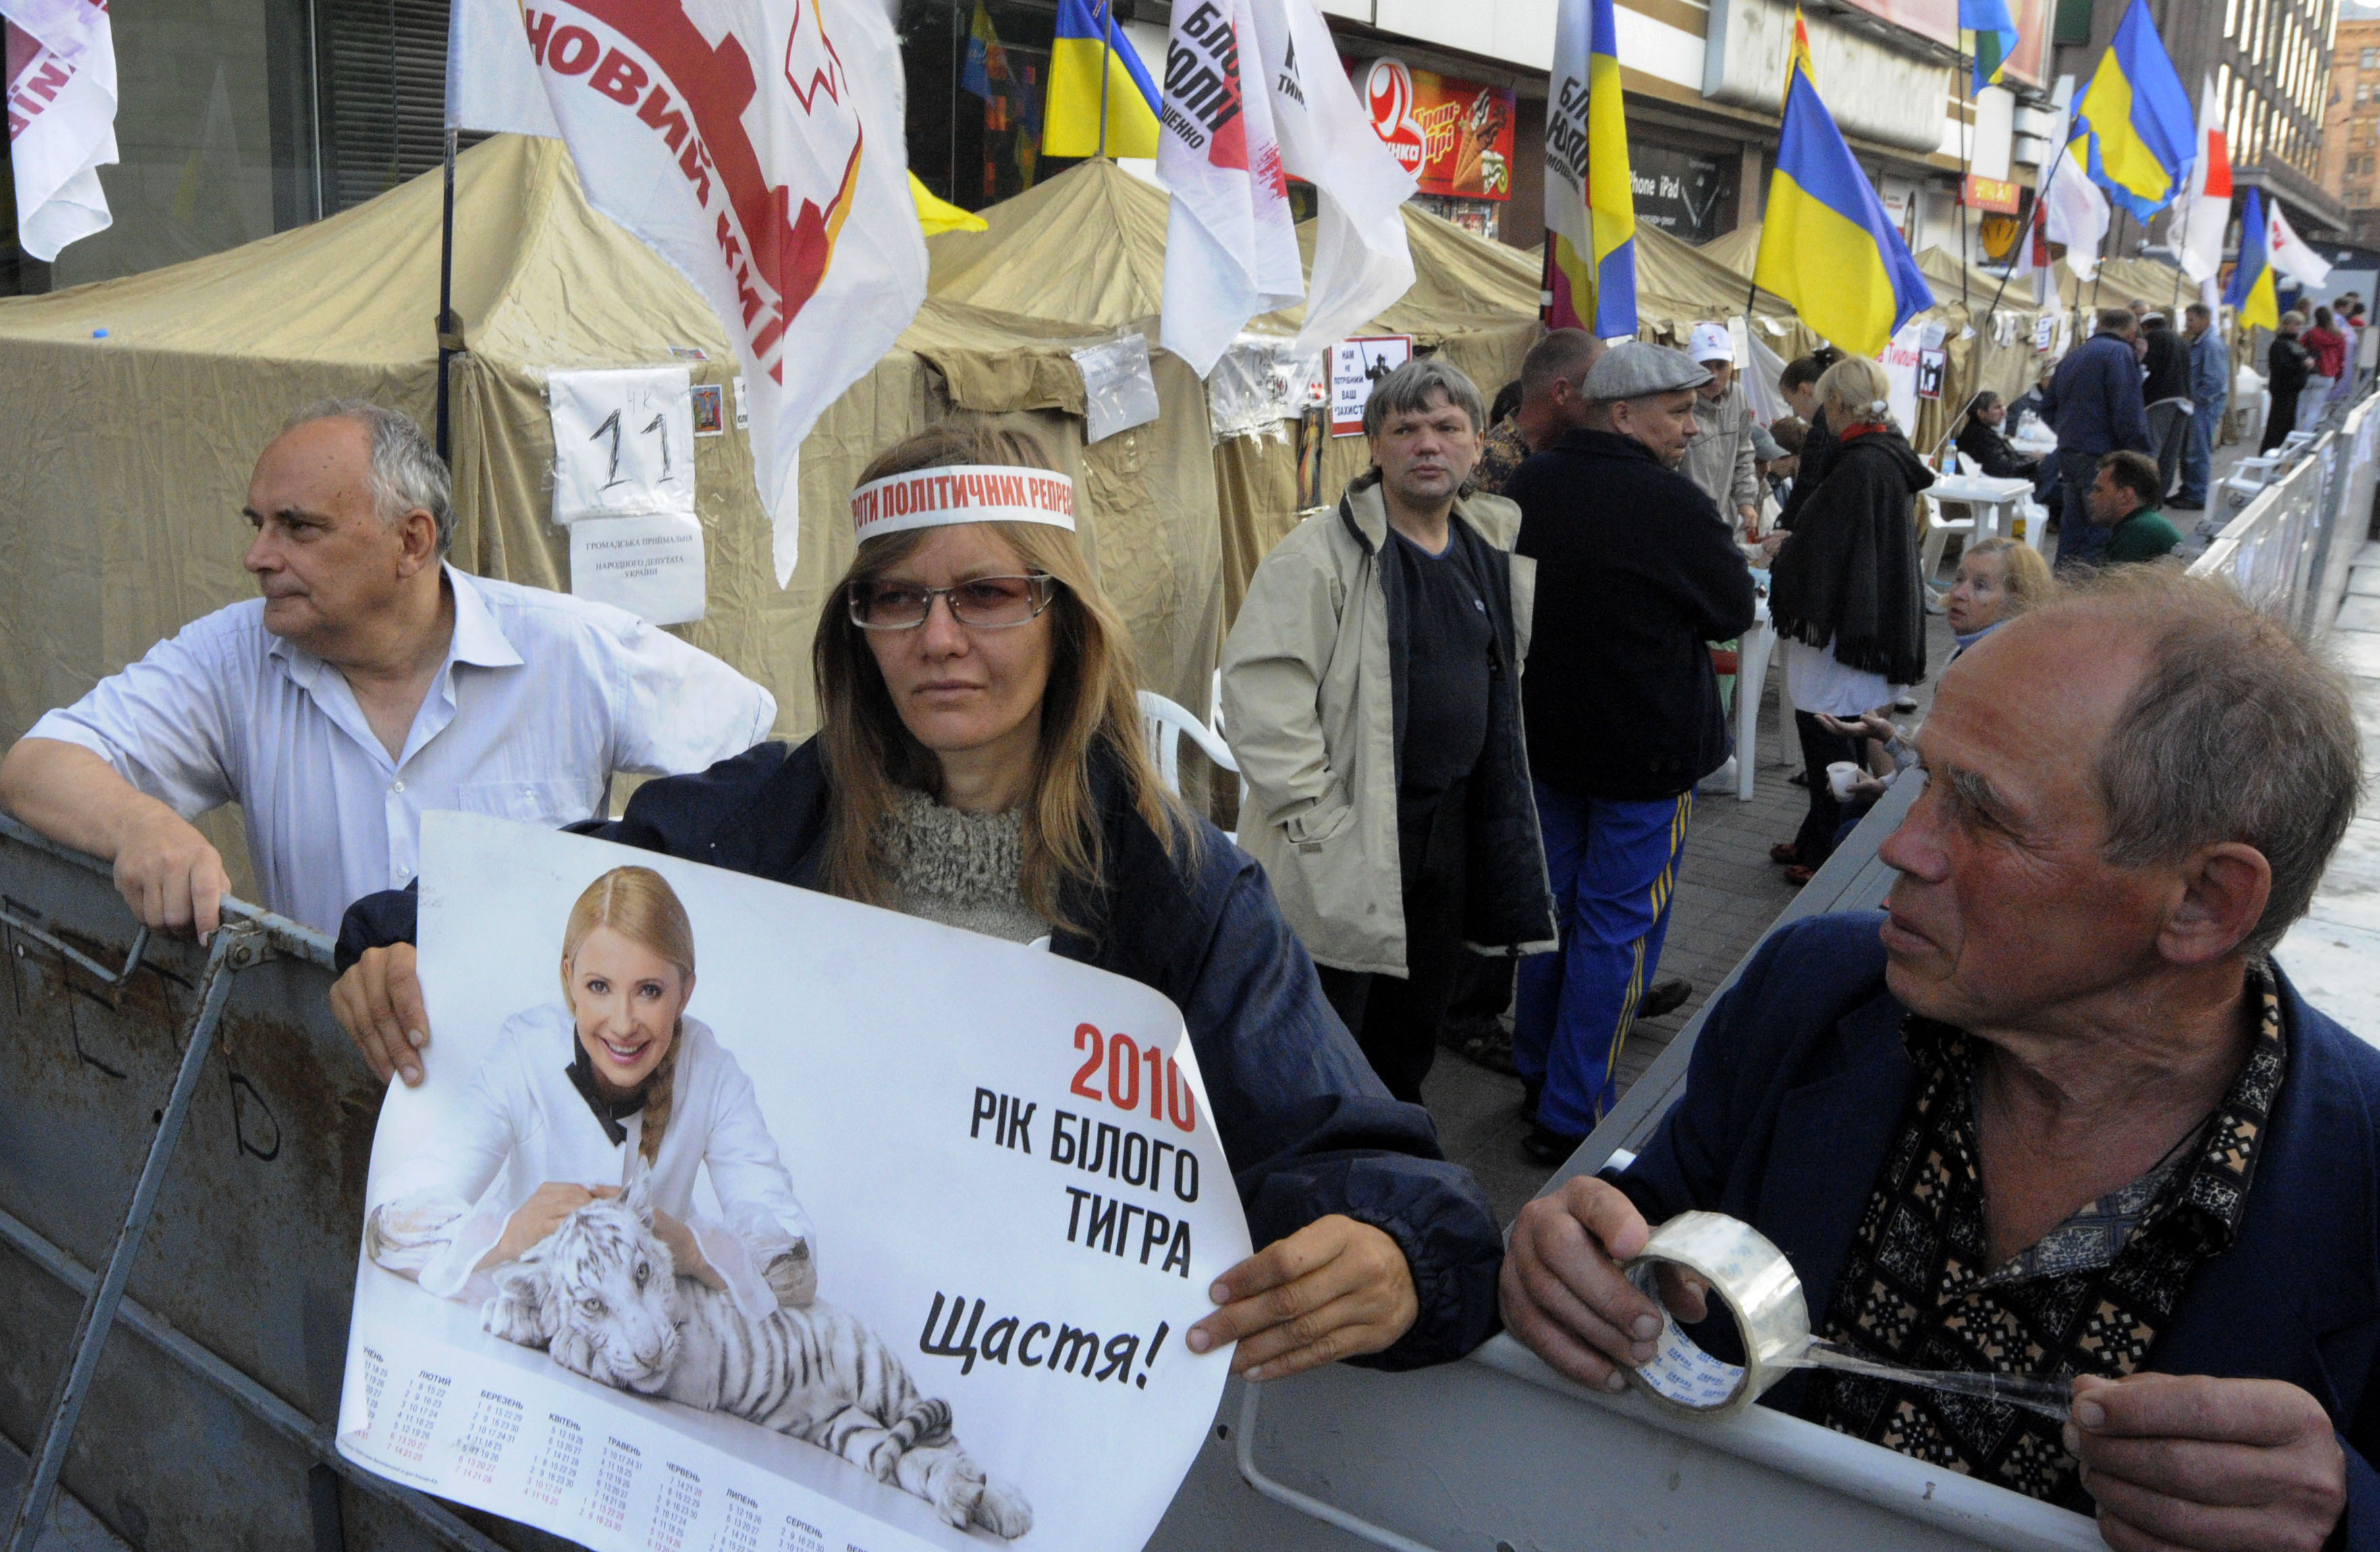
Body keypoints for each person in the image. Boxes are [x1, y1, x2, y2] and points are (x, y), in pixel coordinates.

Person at [333, 416, 1509, 1381]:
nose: (938, 637)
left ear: (1063, 617)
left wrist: (1395, 1248)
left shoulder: (1175, 885)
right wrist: (405, 940)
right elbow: (551, 888)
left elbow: (1344, 1141)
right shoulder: (774, 815)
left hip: (1021, 1400)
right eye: (895, 598)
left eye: (986, 593)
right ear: (859, 629)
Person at [1500, 569, 2373, 1550]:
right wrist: (1574, 1260)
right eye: (1925, 781)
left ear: (2205, 902)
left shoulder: (2359, 1178)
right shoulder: (1814, 992)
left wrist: (2344, 1515)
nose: (1904, 847)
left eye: (1984, 813)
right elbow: (1658, 1226)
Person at [0, 400, 776, 937]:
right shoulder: (234, 657)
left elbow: (767, 772)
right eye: (258, 524)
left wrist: (636, 885)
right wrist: (141, 824)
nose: (258, 556)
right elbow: (38, 764)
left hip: (545, 1074)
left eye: (298, 527)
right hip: (325, 1075)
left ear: (411, 541)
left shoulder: (573, 649)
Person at [1224, 358, 1555, 1104]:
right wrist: (1320, 824)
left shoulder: (1486, 547)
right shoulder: (1319, 556)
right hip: (1349, 837)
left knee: (1410, 1031)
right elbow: (1262, 699)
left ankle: (1394, 1144)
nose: (1427, 444)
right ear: (1374, 446)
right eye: (1405, 429)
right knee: (1323, 1039)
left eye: (1447, 427)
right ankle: (1325, 1161)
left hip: (1447, 836)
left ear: (1478, 443)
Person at [1502, 342, 1758, 1160]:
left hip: (1550, 742)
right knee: (1616, 930)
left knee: (1553, 918)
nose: (1692, 426)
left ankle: (1538, 1075)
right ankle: (1573, 1111)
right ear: (1622, 414)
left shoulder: (1529, 485)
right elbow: (1732, 611)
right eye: (1677, 412)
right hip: (1644, 756)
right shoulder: (1671, 503)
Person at [366, 865, 817, 1318]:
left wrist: (694, 1251)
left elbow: (798, 1264)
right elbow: (388, 1223)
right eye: (599, 986)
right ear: (570, 978)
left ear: (684, 993)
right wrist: (509, 1235)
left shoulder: (713, 1073)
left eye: (650, 991)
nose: (623, 1023)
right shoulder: (525, 1052)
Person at [1765, 357, 1929, 882]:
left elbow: (1829, 549)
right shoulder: (1880, 451)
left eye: (1822, 408)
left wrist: (1786, 548)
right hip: (1864, 616)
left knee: (1829, 737)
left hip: (1847, 625)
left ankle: (1829, 848)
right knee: (1841, 736)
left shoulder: (1862, 462)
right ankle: (1819, 833)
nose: (1820, 418)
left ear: (1837, 404)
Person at [2037, 308, 2154, 572]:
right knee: (2100, 529)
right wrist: (2142, 455)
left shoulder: (2073, 355)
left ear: (2099, 325)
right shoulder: (2120, 354)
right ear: (2131, 333)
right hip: (2103, 456)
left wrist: (2068, 431)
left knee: (2072, 528)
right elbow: (2128, 412)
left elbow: (2047, 407)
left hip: (2070, 452)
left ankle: (2062, 588)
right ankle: (2087, 590)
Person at [1471, 329, 1604, 496]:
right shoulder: (1493, 463)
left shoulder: (1563, 452)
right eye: (1598, 388)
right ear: (1562, 392)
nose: (1607, 400)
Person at [1677, 323, 1762, 538]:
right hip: (1684, 519)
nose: (1713, 375)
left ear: (1732, 366)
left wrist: (1746, 501)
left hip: (1722, 517)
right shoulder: (1676, 403)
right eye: (1704, 366)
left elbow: (1743, 452)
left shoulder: (1738, 397)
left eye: (1721, 365)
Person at [1775, 350, 1841, 532]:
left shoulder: (1822, 432)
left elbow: (1806, 487)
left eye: (1791, 404)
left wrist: (1784, 526)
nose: (1795, 414)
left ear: (1804, 391)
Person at [2173, 302, 2229, 512]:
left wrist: (2194, 399)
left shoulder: (2211, 344)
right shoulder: (2198, 342)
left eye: (2191, 320)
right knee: (2189, 449)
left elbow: (2214, 381)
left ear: (2205, 320)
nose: (2187, 325)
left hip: (2204, 406)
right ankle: (2188, 489)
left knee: (2197, 450)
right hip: (2196, 404)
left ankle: (2197, 494)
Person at [2088, 450, 2183, 564]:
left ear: (2125, 495)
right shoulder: (2144, 523)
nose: (2091, 496)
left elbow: (2114, 576)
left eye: (2099, 490)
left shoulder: (2136, 533)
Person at [2138, 313, 2192, 500]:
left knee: (2152, 451)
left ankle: (2145, 497)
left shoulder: (2153, 339)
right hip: (2183, 401)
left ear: (2146, 327)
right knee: (2170, 454)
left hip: (2159, 401)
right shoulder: (2181, 340)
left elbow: (2146, 370)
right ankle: (2159, 497)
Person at [1951, 391, 2042, 481]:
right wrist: (2033, 458)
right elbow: (2006, 469)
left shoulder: (1979, 431)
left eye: (2003, 406)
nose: (2004, 412)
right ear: (1981, 413)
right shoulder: (1981, 437)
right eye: (1998, 407)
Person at [2262, 311, 2313, 454]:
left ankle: (2283, 452)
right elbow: (2282, 367)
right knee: (2278, 425)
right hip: (2283, 389)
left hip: (2293, 389)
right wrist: (2303, 365)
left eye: (2299, 325)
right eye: (2296, 325)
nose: (2298, 328)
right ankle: (2271, 452)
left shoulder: (2294, 343)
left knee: (2288, 425)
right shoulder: (2279, 344)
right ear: (2286, 325)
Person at [2300, 305, 2346, 432]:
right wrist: (2337, 377)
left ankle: (2294, 435)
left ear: (2316, 318)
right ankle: (2306, 437)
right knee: (2315, 409)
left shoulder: (2309, 334)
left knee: (2300, 407)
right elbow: (2341, 360)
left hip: (2308, 373)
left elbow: (2300, 352)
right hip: (2327, 375)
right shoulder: (2339, 337)